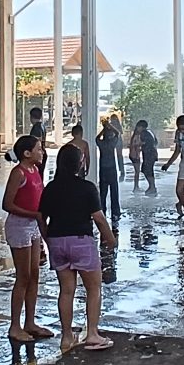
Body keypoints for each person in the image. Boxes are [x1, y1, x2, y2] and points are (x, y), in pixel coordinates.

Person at [39, 143, 117, 352]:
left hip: (57, 241)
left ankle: (66, 337)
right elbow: (99, 218)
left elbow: (41, 217)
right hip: (81, 241)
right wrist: (110, 239)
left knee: (66, 291)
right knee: (93, 288)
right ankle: (92, 333)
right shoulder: (87, 187)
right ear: (80, 163)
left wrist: (47, 238)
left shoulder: (51, 187)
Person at [1, 135, 53, 343]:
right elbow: (7, 204)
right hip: (19, 226)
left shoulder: (35, 171)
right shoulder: (18, 172)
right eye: (39, 149)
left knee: (34, 275)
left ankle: (30, 322)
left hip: (32, 226)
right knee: (23, 276)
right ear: (27, 153)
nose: (42, 152)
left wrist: (43, 228)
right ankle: (15, 325)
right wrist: (34, 216)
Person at [96, 119, 122, 220]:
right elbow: (118, 133)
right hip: (112, 169)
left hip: (103, 169)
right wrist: (109, 126)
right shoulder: (112, 144)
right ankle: (115, 212)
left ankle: (102, 210)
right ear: (110, 136)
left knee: (103, 192)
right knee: (114, 191)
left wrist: (104, 129)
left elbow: (97, 137)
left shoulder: (101, 144)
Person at [135, 120, 159, 196]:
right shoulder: (150, 132)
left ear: (141, 127)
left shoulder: (144, 133)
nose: (137, 129)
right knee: (148, 170)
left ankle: (152, 187)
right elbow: (155, 142)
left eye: (138, 127)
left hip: (149, 155)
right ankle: (152, 186)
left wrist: (138, 145)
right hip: (151, 154)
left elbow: (147, 142)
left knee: (147, 170)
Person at [110, 114, 125, 182]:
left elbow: (120, 133)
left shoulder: (116, 125)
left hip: (117, 141)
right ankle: (119, 170)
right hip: (114, 141)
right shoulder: (112, 125)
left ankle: (121, 170)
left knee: (119, 156)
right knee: (116, 156)